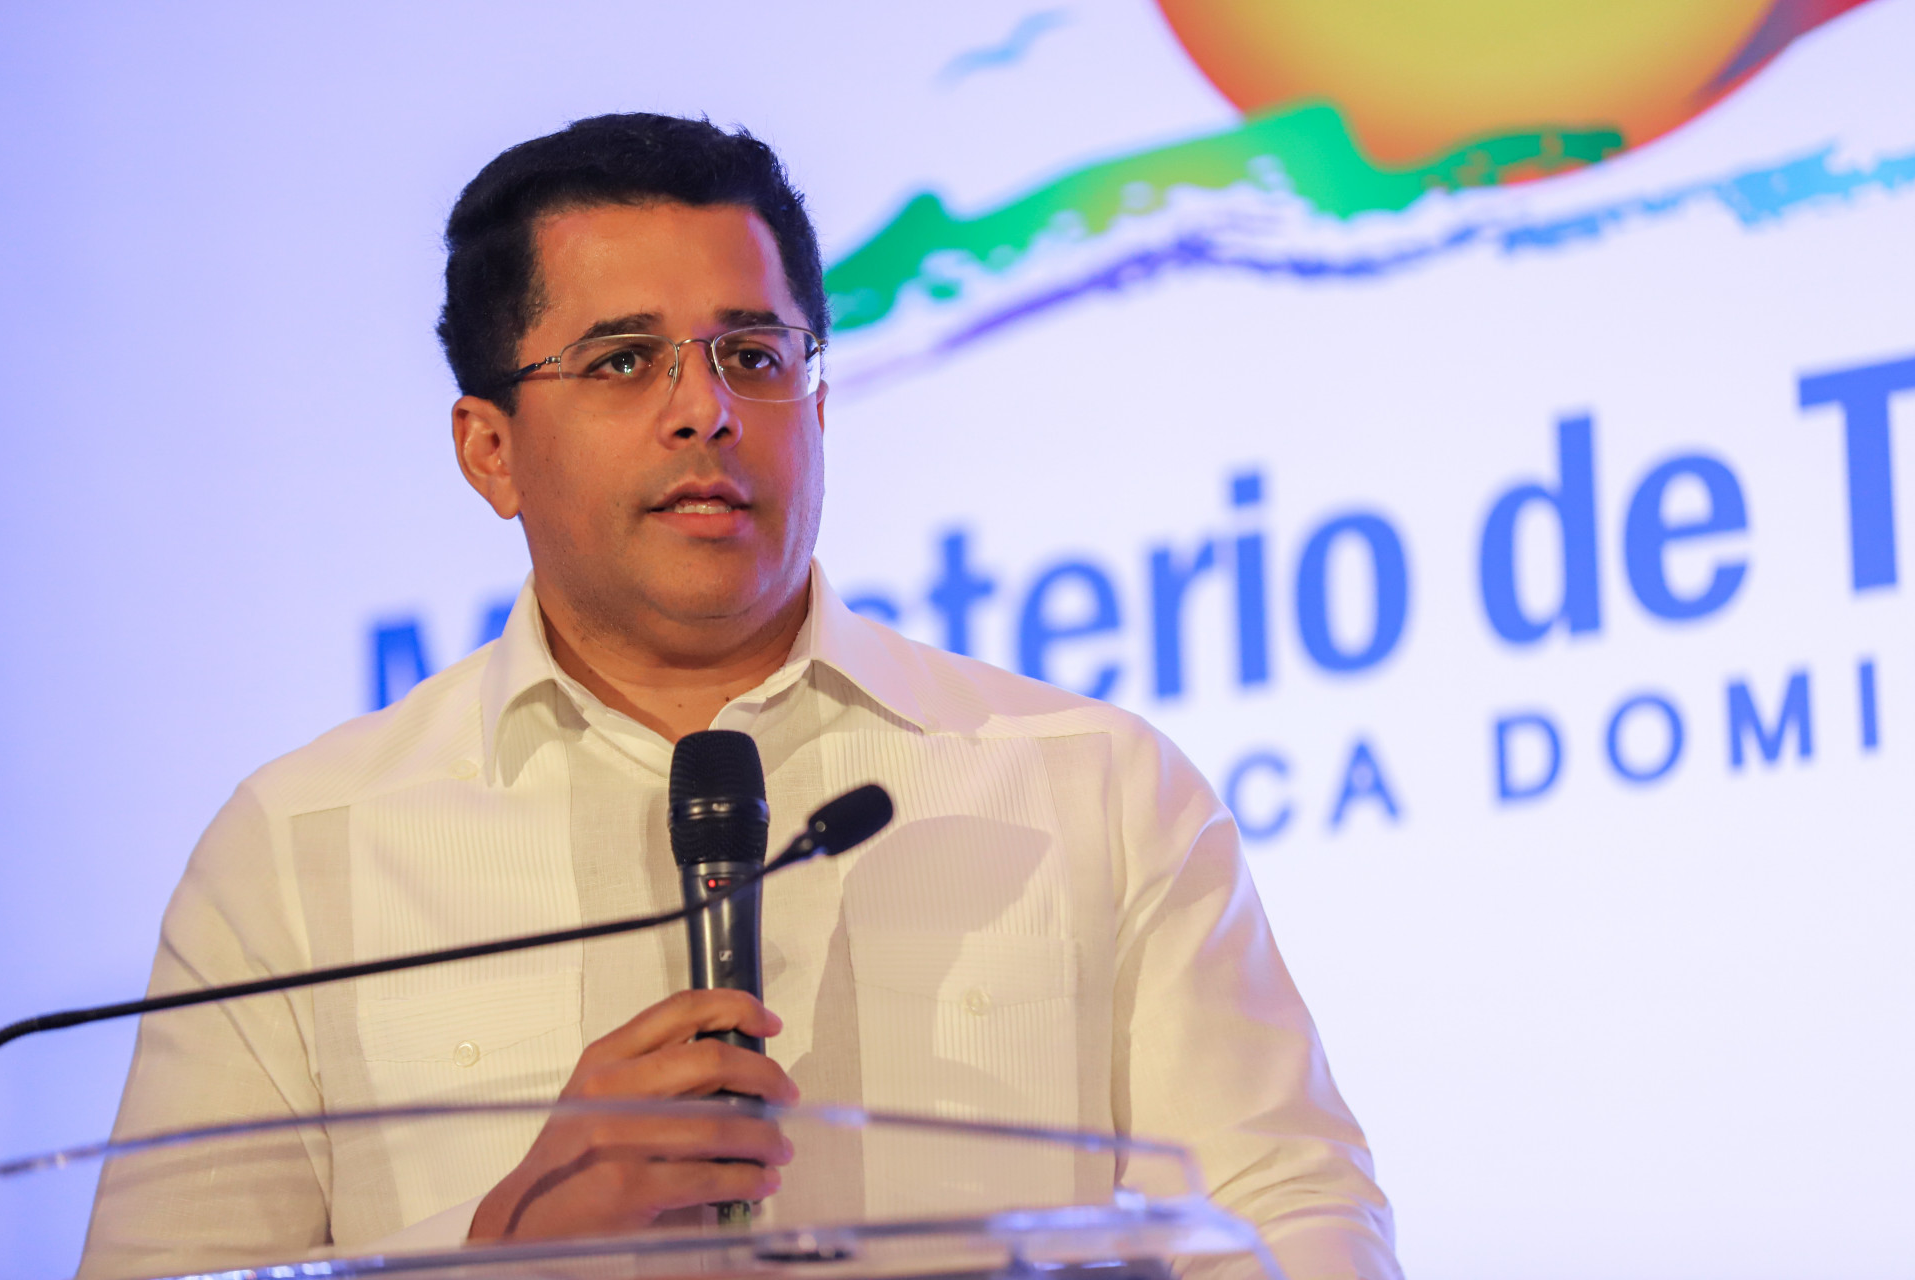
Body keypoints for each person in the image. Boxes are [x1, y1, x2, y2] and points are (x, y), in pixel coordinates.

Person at [82, 113, 1400, 1279]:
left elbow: (1286, 1211)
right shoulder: (299, 852)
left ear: (817, 413)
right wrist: (501, 1256)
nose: (704, 410)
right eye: (622, 360)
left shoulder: (1091, 785)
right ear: (490, 452)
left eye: (753, 355)